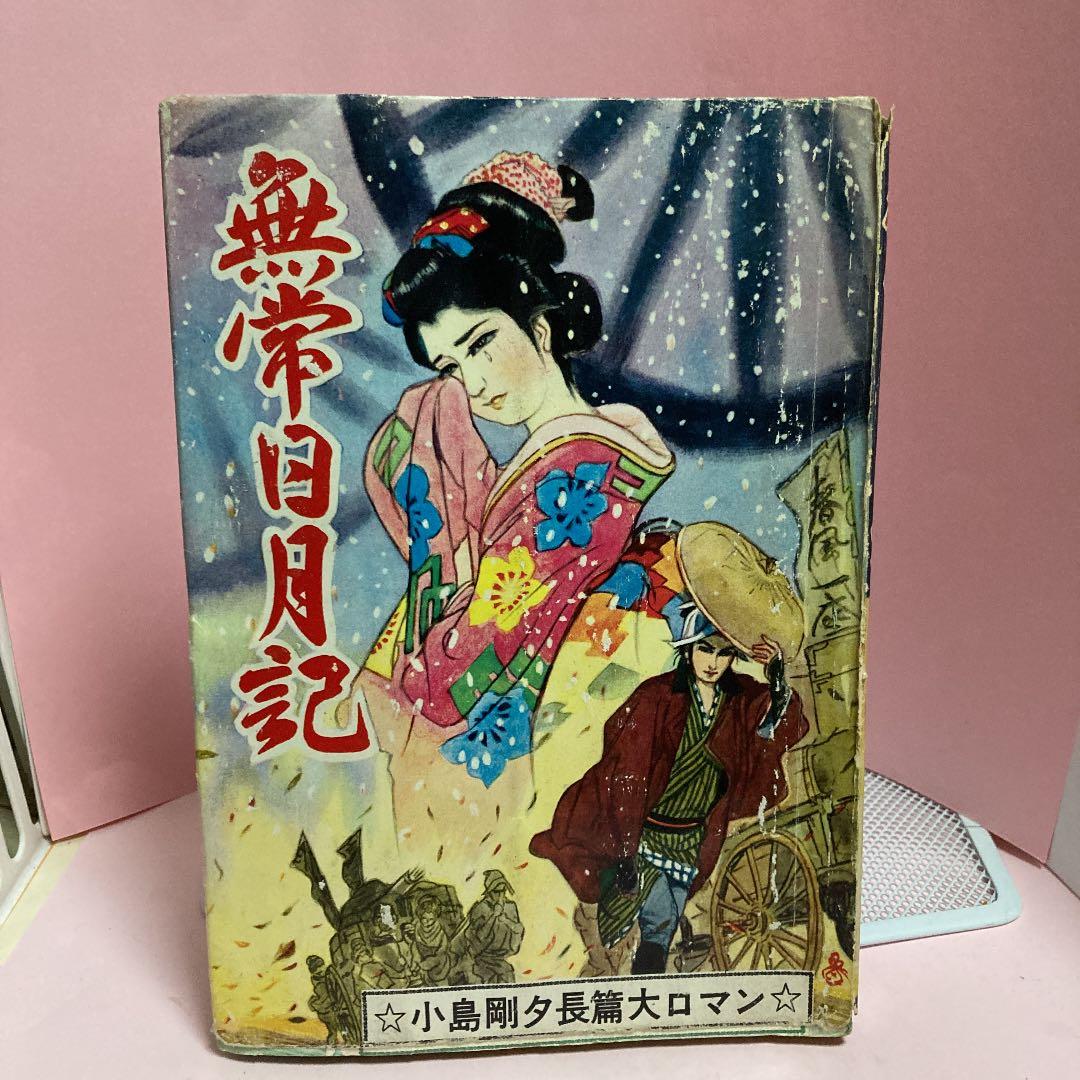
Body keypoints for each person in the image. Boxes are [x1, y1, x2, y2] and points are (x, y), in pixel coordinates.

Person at [348, 151, 674, 879]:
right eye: (451, 367)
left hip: (507, 736)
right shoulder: (553, 460)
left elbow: (483, 642)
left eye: (482, 344)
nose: (473, 383)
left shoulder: (578, 470)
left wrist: (410, 678)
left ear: (542, 328)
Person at [530, 603, 808, 974]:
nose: (713, 662)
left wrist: (776, 679)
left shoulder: (740, 699)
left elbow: (776, 727)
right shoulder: (656, 697)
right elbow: (625, 770)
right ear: (687, 648)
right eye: (704, 649)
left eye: (724, 653)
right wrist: (625, 848)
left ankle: (642, 987)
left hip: (693, 839)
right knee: (621, 928)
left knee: (660, 929)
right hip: (642, 833)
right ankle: (610, 979)